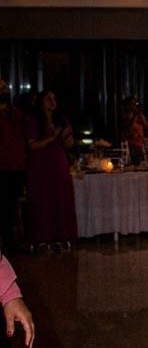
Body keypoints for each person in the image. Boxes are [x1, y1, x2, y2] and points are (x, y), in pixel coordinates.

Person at [24, 91, 77, 250]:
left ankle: (62, 236)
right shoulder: (33, 121)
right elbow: (32, 145)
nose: (52, 102)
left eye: (54, 99)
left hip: (59, 163)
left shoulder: (61, 120)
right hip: (41, 164)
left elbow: (68, 145)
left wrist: (67, 137)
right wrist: (52, 137)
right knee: (43, 200)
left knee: (60, 199)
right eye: (48, 99)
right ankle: (41, 237)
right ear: (41, 102)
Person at [0, 79, 28, 251]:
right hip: (1, 167)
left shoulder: (16, 113)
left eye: (4, 87)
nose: (3, 91)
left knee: (12, 206)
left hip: (16, 167)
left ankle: (12, 241)